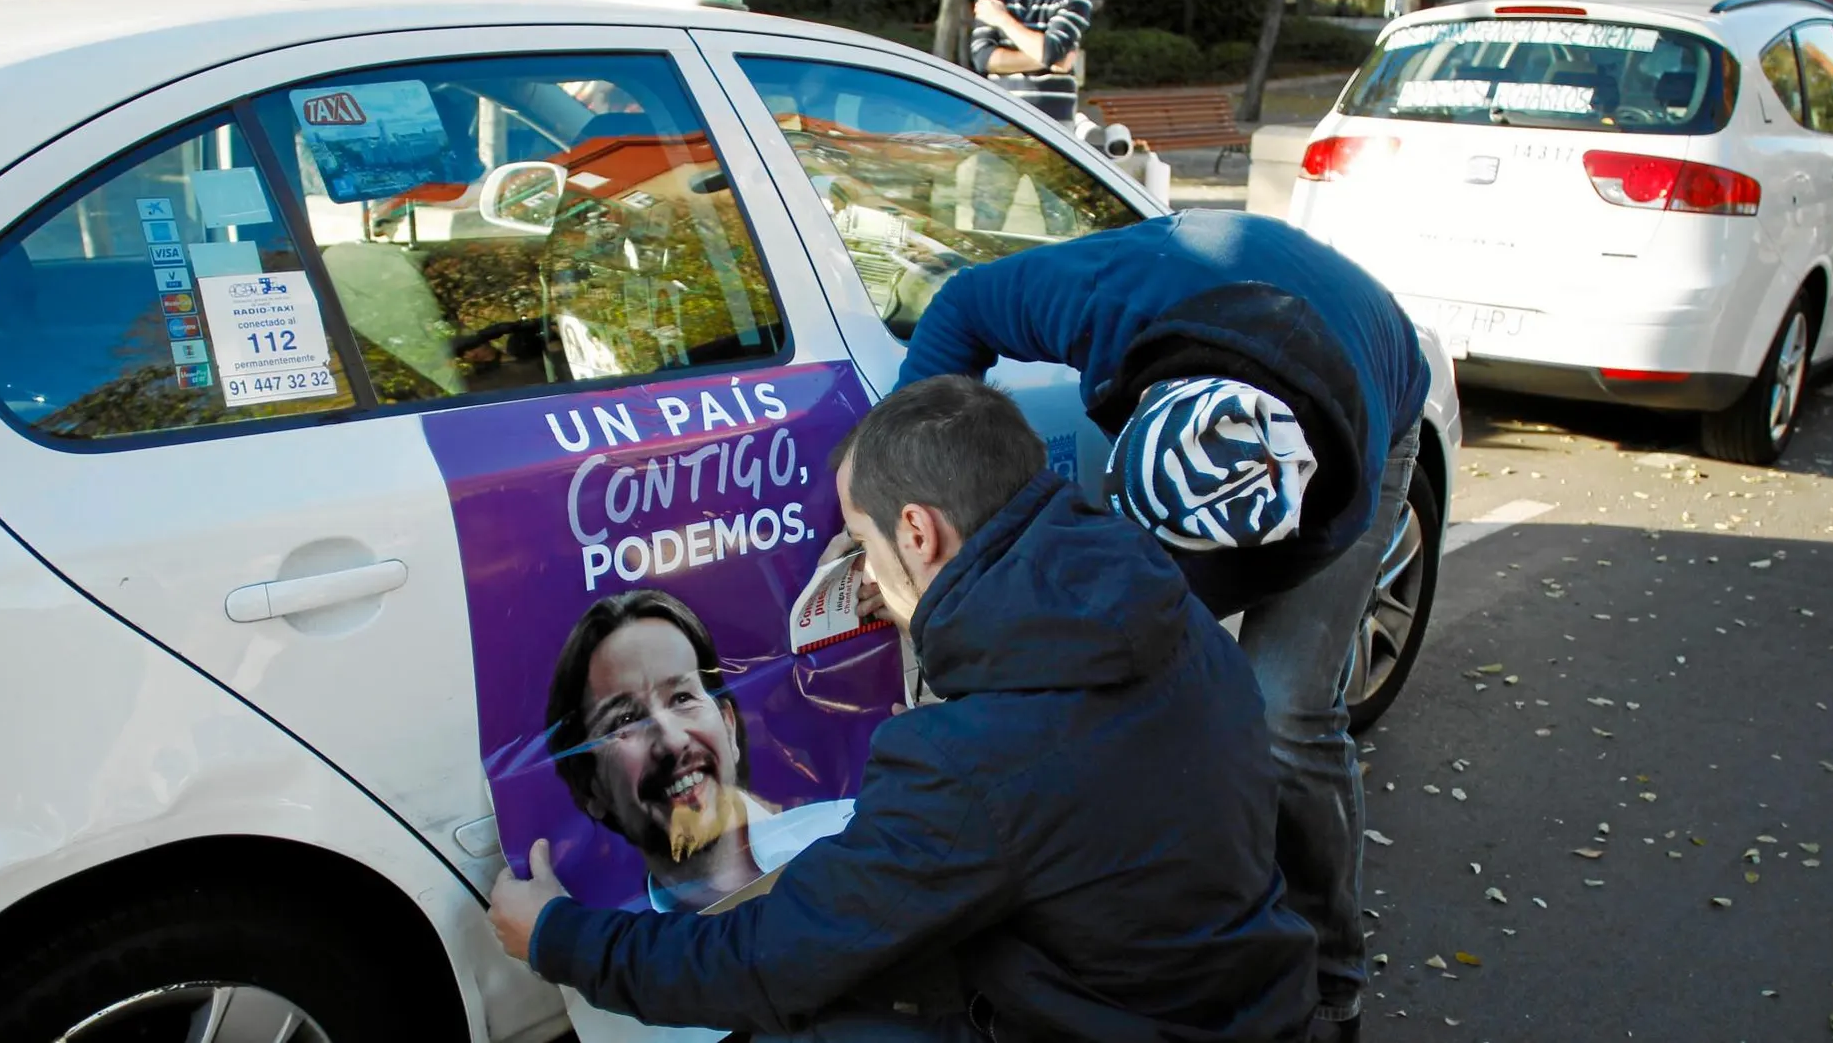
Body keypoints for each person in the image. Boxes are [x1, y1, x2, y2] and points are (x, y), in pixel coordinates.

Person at [492, 376, 1317, 1042]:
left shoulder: (976, 758)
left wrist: (562, 938)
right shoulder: (1153, 598)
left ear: (917, 531)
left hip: (1133, 1021)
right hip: (1252, 996)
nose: (858, 574)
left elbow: (770, 963)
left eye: (859, 541)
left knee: (800, 1020)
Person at [887, 209, 1431, 1043]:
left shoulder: (1335, 493)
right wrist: (900, 502)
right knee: (1112, 656)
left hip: (1373, 392)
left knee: (1283, 709)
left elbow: (1188, 618)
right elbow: (959, 306)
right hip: (1202, 321)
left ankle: (1332, 977)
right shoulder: (1104, 301)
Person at [545, 590, 854, 913]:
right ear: (589, 789)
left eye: (681, 698)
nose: (672, 741)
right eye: (625, 720)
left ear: (729, 725)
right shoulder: (605, 948)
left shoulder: (854, 832)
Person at [970, 0, 1094, 123]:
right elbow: (983, 58)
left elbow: (1050, 50)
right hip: (1000, 116)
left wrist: (1002, 19)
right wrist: (1051, 58)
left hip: (1053, 122)